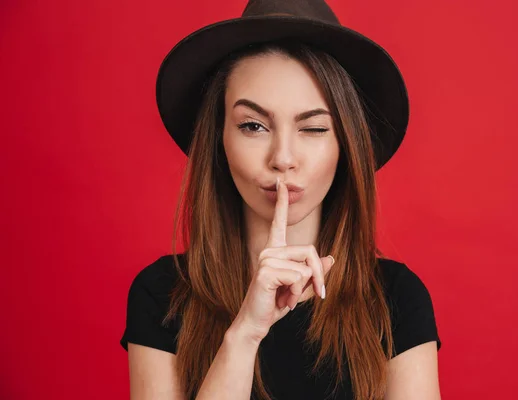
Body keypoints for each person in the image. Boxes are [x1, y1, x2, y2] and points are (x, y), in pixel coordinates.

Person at [120, 1, 442, 399]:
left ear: (346, 146)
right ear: (218, 139)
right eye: (253, 125)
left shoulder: (396, 299)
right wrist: (245, 334)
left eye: (313, 128)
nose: (283, 158)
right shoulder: (163, 294)